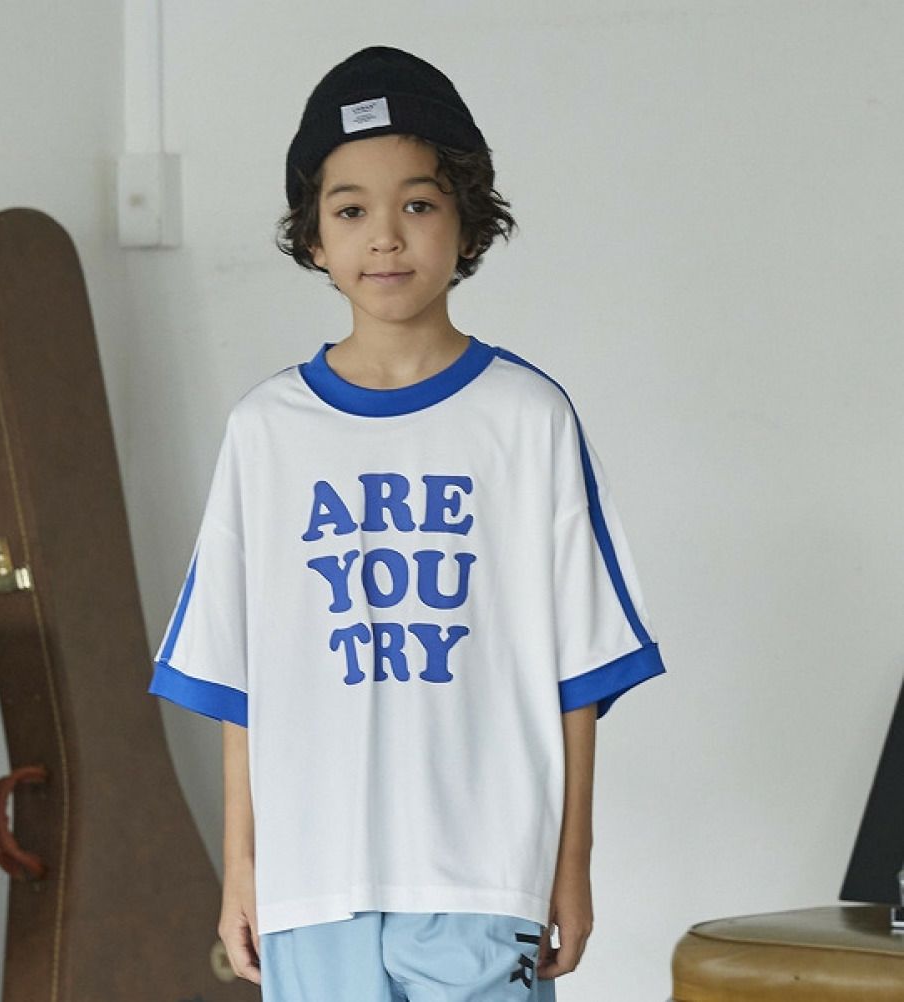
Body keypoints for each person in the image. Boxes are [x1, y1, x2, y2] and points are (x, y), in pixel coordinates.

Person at [148, 44, 667, 1002]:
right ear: (313, 237)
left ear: (468, 222)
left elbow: (579, 672)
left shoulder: (527, 419)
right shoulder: (267, 431)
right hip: (314, 883)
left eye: (419, 205)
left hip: (483, 877)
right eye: (351, 211)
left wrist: (571, 862)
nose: (385, 238)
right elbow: (240, 681)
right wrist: (243, 869)